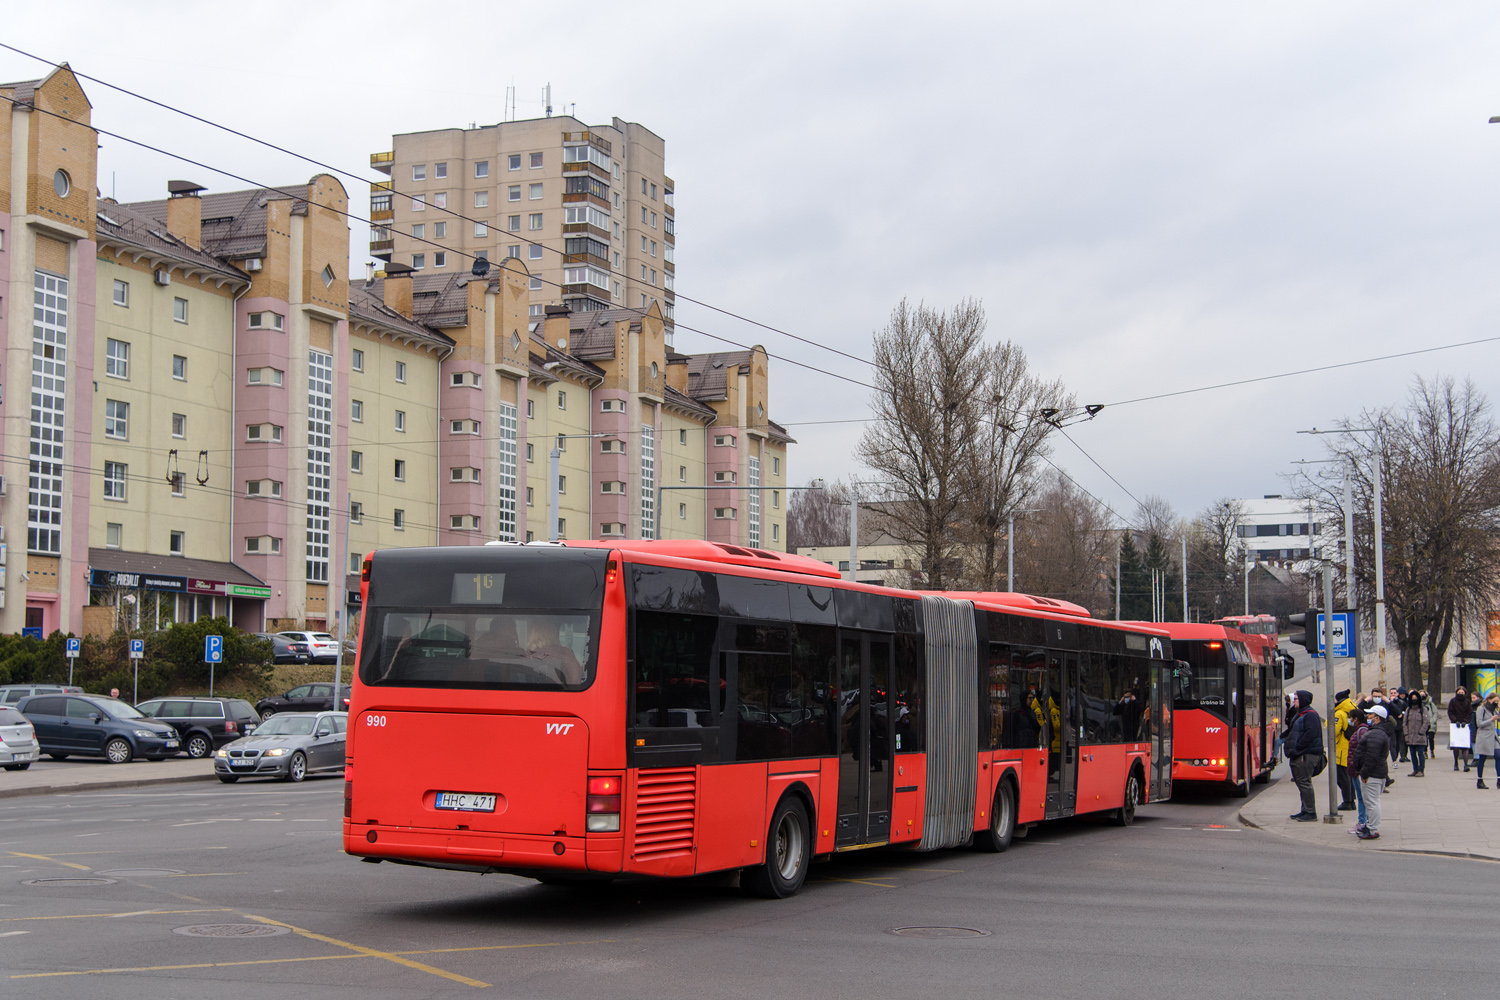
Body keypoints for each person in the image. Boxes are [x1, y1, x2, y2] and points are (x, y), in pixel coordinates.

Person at [1350, 704, 1390, 840]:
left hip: (1372, 774)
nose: (1367, 716)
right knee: (1370, 801)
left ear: (1377, 718)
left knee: (1372, 802)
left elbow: (1371, 756)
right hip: (1374, 772)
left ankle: (1372, 829)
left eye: (1370, 714)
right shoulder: (1376, 732)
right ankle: (1370, 826)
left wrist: (1365, 773)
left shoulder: (1376, 734)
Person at [1284, 690, 1323, 822]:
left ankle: (1310, 812)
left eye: (1296, 698)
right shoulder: (1301, 714)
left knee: (1304, 782)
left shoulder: (1310, 715)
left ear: (1303, 700)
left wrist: (1297, 748)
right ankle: (1305, 809)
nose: (1294, 700)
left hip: (1306, 755)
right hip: (1300, 754)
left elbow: (1309, 734)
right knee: (1301, 783)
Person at [1344, 708, 1371, 833]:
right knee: (1361, 797)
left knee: (1362, 798)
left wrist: (1360, 768)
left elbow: (1363, 751)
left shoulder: (1362, 730)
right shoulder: (1359, 730)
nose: (1349, 720)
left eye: (1351, 718)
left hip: (1358, 770)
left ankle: (1362, 822)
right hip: (1355, 769)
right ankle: (1363, 821)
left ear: (1356, 719)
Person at [1333, 690, 1357, 811]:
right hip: (1350, 748)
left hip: (1341, 750)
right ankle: (1351, 800)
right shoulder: (1353, 711)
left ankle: (1347, 801)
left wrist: (1328, 721)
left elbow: (1334, 731)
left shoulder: (1339, 713)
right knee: (1349, 777)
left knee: (1342, 778)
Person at [1474, 693, 1499, 790]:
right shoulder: (1481, 709)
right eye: (1495, 701)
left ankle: (1499, 779)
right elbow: (1479, 724)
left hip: (1493, 736)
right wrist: (1491, 719)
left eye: (1497, 701)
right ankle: (1480, 780)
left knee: (1498, 755)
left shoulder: (1494, 709)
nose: (1496, 703)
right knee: (1482, 758)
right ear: (1489, 699)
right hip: (1484, 736)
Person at [1403, 690, 1428, 776]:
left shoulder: (1423, 709)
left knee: (1420, 753)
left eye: (1415, 698)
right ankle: (1415, 769)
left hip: (1420, 736)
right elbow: (1405, 723)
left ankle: (1421, 770)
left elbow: (1426, 722)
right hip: (1410, 736)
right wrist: (1406, 733)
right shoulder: (1408, 710)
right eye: (1412, 698)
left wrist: (1421, 731)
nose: (1414, 699)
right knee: (1413, 754)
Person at [1449, 686, 1473, 771]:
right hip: (1455, 726)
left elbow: (1470, 712)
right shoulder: (1453, 701)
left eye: (1462, 693)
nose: (1460, 694)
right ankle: (1456, 762)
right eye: (1459, 692)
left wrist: (1465, 721)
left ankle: (1466, 764)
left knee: (1465, 746)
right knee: (1456, 746)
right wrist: (1455, 720)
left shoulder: (1467, 702)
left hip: (1464, 725)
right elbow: (1450, 712)